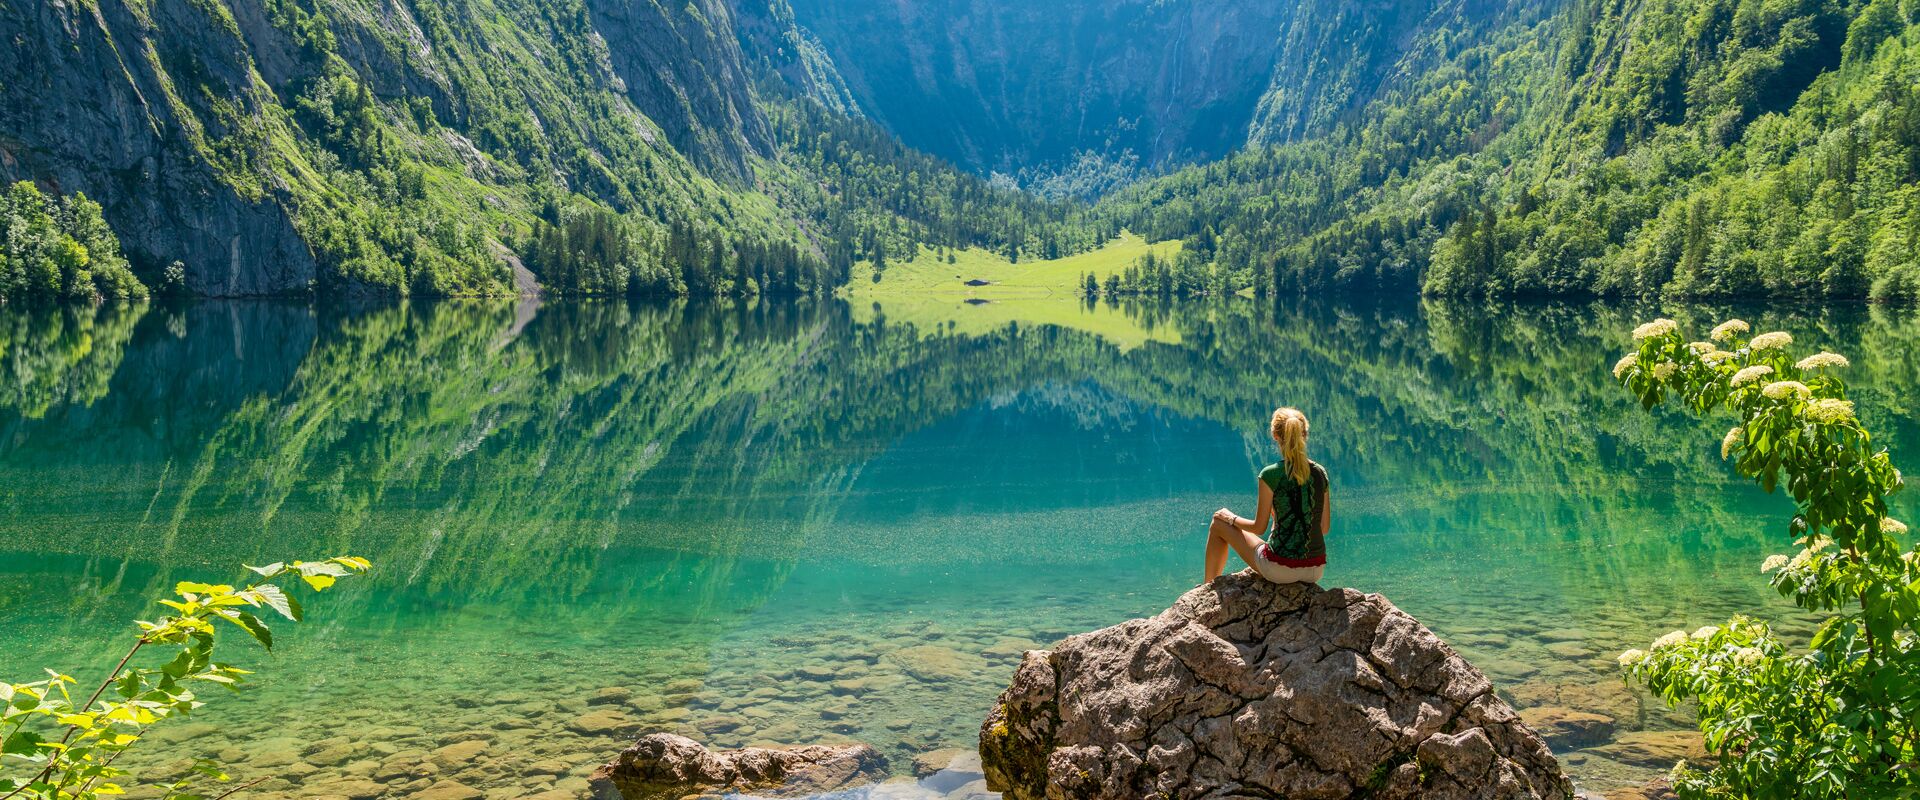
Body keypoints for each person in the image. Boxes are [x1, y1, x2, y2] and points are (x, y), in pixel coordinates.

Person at [1204, 407, 1330, 585]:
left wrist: (1230, 518)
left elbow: (1258, 528)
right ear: (1305, 434)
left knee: (1218, 523)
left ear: (1275, 436)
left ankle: (1208, 586)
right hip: (1315, 570)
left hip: (1279, 569)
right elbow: (1323, 528)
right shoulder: (1320, 473)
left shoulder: (1270, 474)